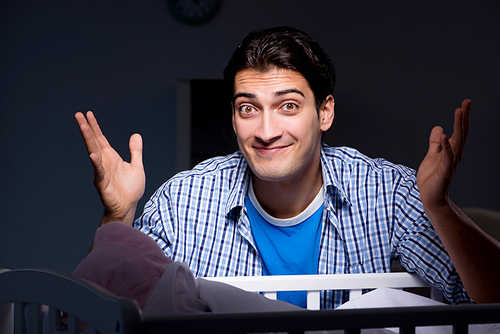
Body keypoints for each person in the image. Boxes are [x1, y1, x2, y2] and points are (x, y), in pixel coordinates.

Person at [75, 26, 500, 309]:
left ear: (325, 112)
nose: (266, 130)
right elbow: (103, 315)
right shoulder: (183, 200)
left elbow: (490, 303)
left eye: (289, 106)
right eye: (248, 108)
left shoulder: (386, 190)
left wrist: (440, 207)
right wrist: (119, 215)